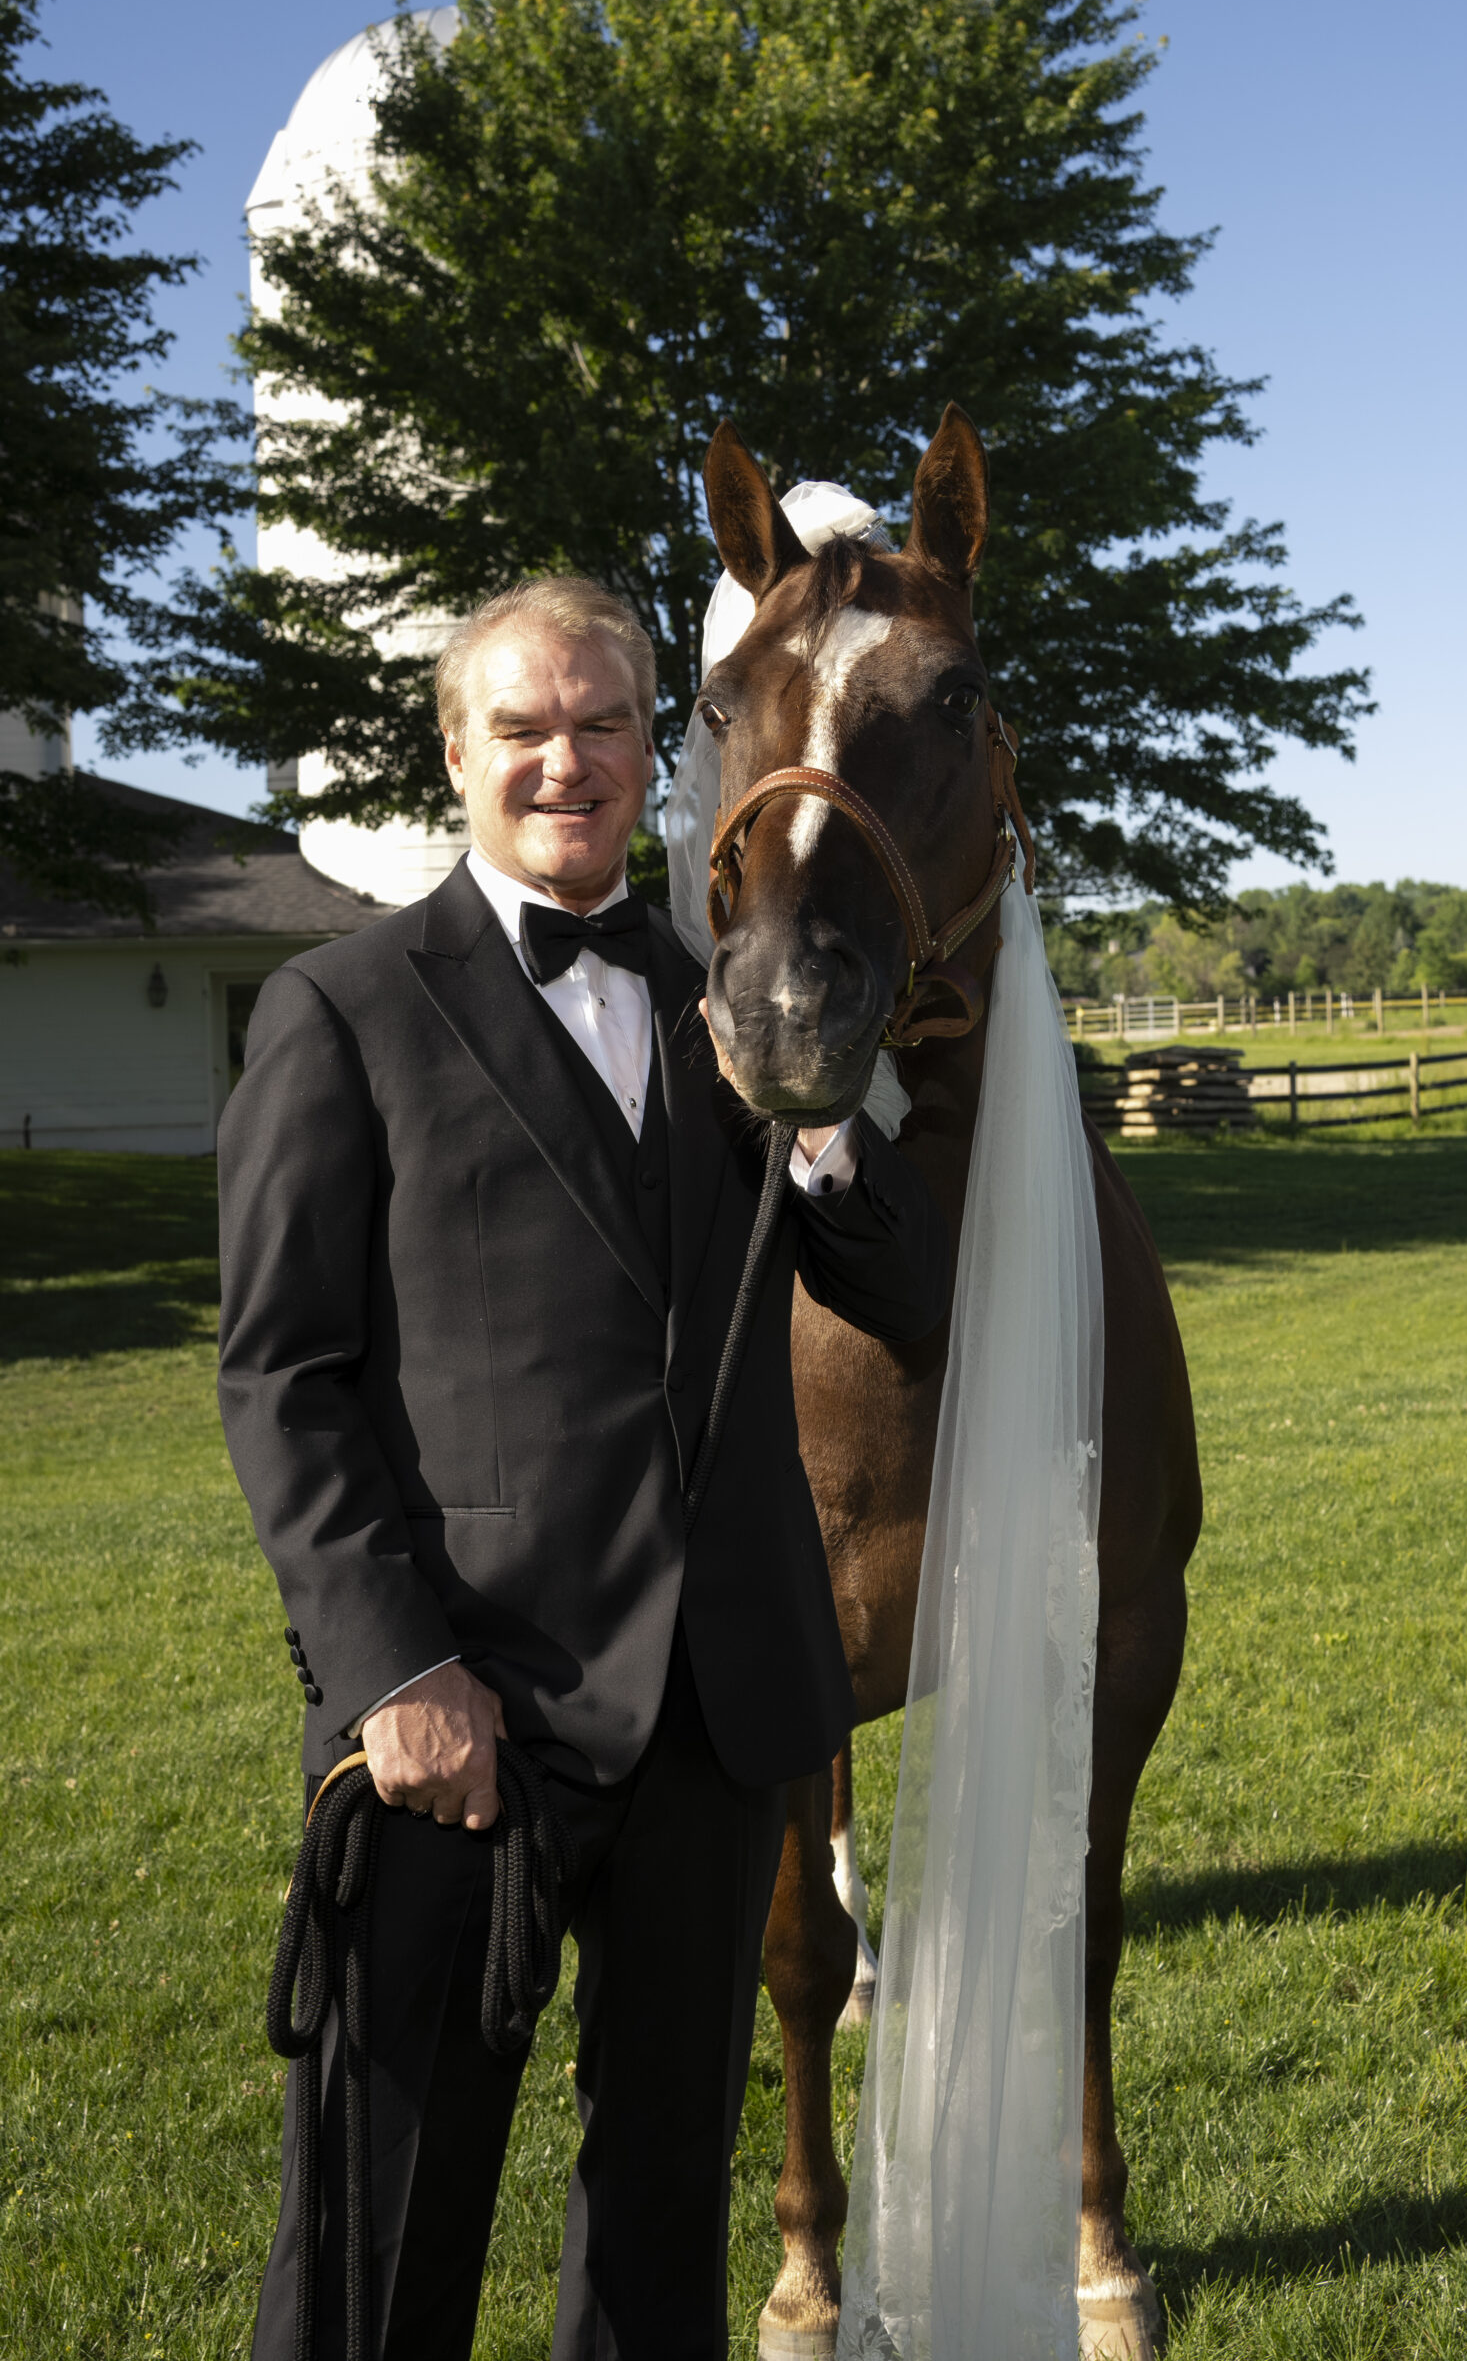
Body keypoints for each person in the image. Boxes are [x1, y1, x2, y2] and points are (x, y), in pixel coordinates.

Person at [217, 575, 949, 2360]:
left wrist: (824, 1118)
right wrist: (395, 1671)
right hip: (465, 1717)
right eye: (526, 728)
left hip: (715, 1713)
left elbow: (904, 1287)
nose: (568, 761)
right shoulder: (341, 1009)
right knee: (387, 2219)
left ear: (656, 755)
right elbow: (284, 1380)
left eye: (605, 725)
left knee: (658, 2224)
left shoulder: (733, 1000)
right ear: (456, 751)